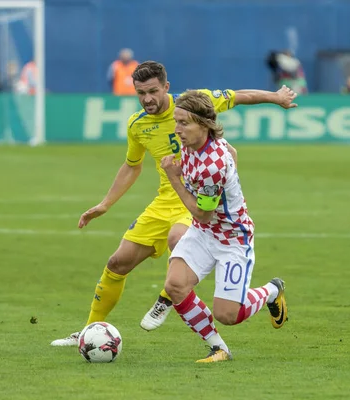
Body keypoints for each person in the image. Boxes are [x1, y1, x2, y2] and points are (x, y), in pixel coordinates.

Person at [50, 61, 297, 347]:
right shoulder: (137, 124)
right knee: (117, 263)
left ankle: (167, 298)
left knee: (179, 238)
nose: (147, 99)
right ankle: (88, 330)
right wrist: (105, 204)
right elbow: (132, 166)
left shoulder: (193, 104)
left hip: (191, 198)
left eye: (153, 91)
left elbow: (238, 95)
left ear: (166, 87)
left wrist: (276, 97)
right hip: (162, 202)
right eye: (140, 93)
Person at [160, 90, 287, 363]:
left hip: (231, 238)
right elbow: (232, 152)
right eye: (176, 121)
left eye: (183, 123)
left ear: (203, 124)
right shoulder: (196, 143)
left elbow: (202, 213)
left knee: (228, 315)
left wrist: (174, 178)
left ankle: (271, 291)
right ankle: (219, 348)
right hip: (203, 233)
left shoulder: (211, 165)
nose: (177, 130)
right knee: (175, 285)